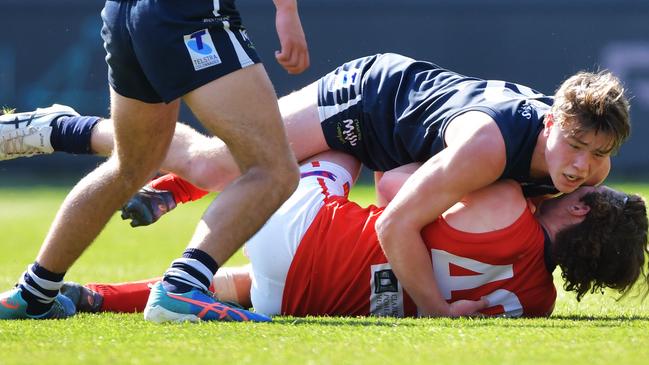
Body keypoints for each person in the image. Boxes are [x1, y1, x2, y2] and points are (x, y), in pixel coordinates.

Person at [1, 52, 630, 316]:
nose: (580, 166)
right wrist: (438, 315)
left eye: (598, 157)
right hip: (368, 102)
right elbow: (392, 208)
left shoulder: (563, 164)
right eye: (573, 145)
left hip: (405, 136)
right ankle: (63, 127)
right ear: (552, 121)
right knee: (221, 164)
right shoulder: (489, 151)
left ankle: (174, 192)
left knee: (238, 182)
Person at [0, 0, 309, 322]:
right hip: (189, 16)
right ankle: (181, 287)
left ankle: (34, 292)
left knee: (131, 166)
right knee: (273, 170)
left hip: (122, 13)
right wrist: (287, 10)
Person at [59, 150, 649, 318]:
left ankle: (179, 180)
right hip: (298, 299)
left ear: (579, 215)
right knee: (230, 285)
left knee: (349, 139)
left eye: (589, 193)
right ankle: (91, 298)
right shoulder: (540, 304)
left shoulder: (504, 200)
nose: (576, 182)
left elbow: (393, 187)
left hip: (298, 229)